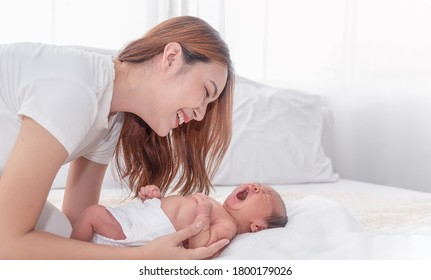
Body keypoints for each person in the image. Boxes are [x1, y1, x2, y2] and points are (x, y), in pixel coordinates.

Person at [0, 16, 235, 259]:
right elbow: (6, 245)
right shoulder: (79, 92)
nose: (200, 114)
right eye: (206, 91)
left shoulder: (112, 116)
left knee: (58, 232)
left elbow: (78, 224)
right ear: (172, 58)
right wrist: (143, 257)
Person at [70, 183, 288, 254]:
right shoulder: (217, 207)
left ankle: (68, 256)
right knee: (93, 215)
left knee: (92, 214)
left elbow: (200, 246)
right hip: (143, 216)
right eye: (256, 184)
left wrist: (203, 213)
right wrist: (156, 197)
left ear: (257, 226)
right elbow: (174, 213)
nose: (256, 187)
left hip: (143, 230)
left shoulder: (228, 226)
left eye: (265, 196)